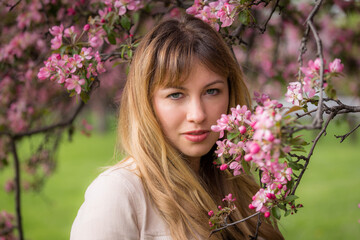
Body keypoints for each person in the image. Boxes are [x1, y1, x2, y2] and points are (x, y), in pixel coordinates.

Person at [70, 14, 284, 240]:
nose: (198, 114)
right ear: (146, 102)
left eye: (211, 91)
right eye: (176, 95)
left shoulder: (239, 187)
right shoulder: (119, 194)